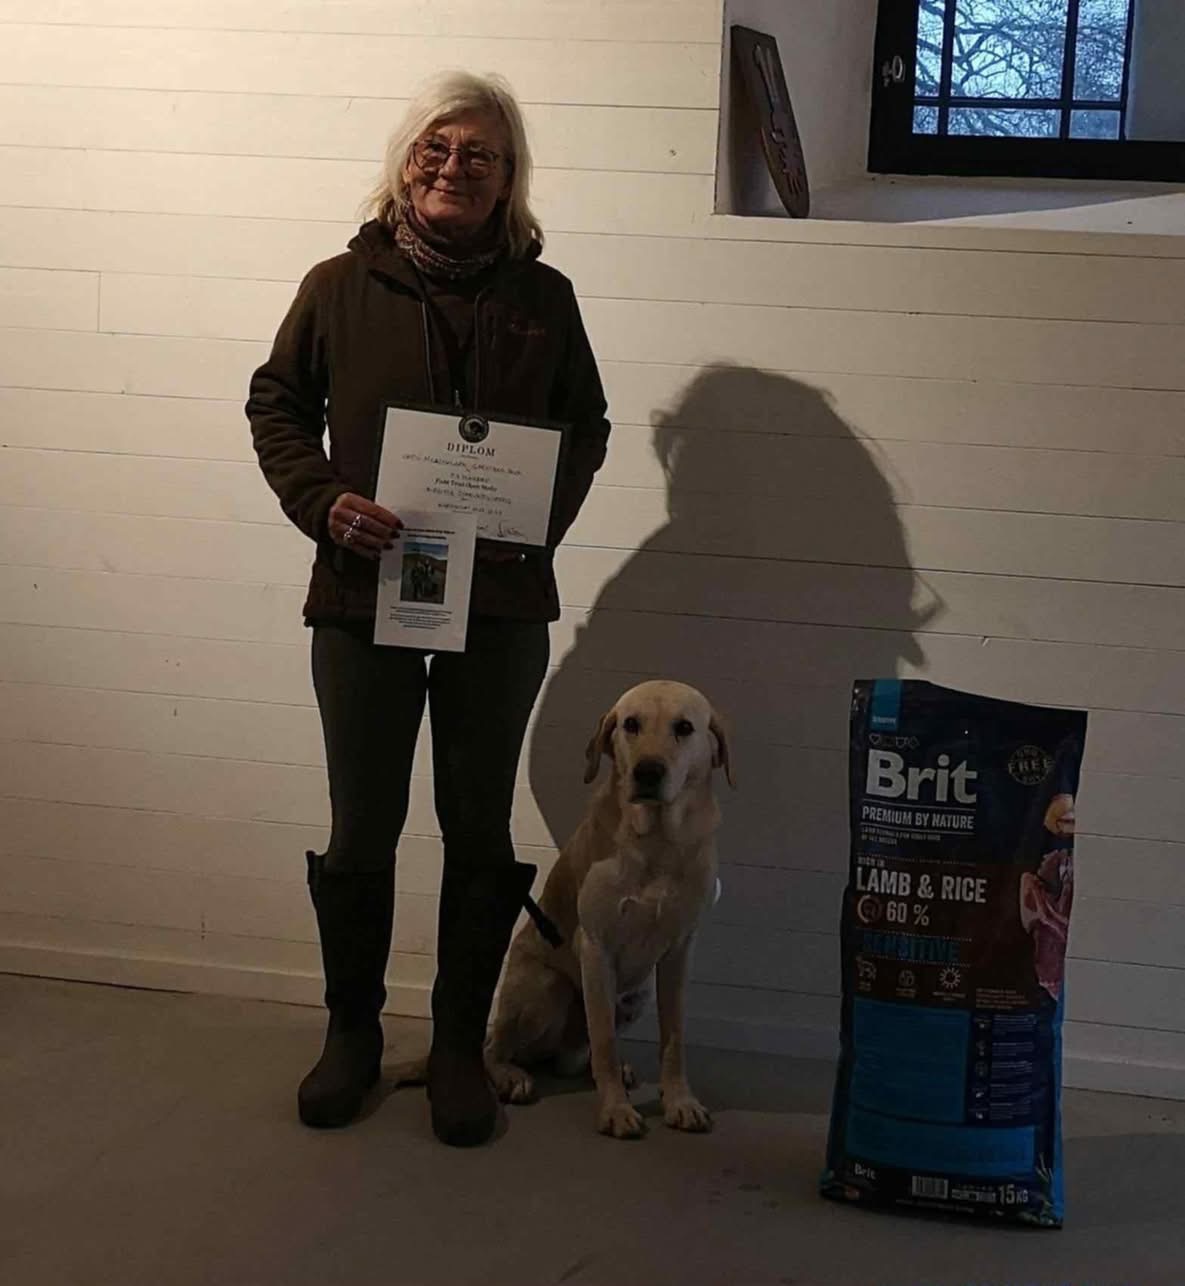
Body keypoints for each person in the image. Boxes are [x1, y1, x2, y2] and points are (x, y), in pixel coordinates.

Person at [245, 70, 610, 1146]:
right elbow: (276, 402)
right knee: (361, 827)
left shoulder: (546, 299)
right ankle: (351, 1034)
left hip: (499, 604)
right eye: (436, 149)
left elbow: (584, 424)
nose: (455, 167)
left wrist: (531, 519)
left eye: (480, 154)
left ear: (509, 177)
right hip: (364, 597)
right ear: (406, 163)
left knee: (478, 826)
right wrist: (323, 502)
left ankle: (458, 1044)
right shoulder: (337, 286)